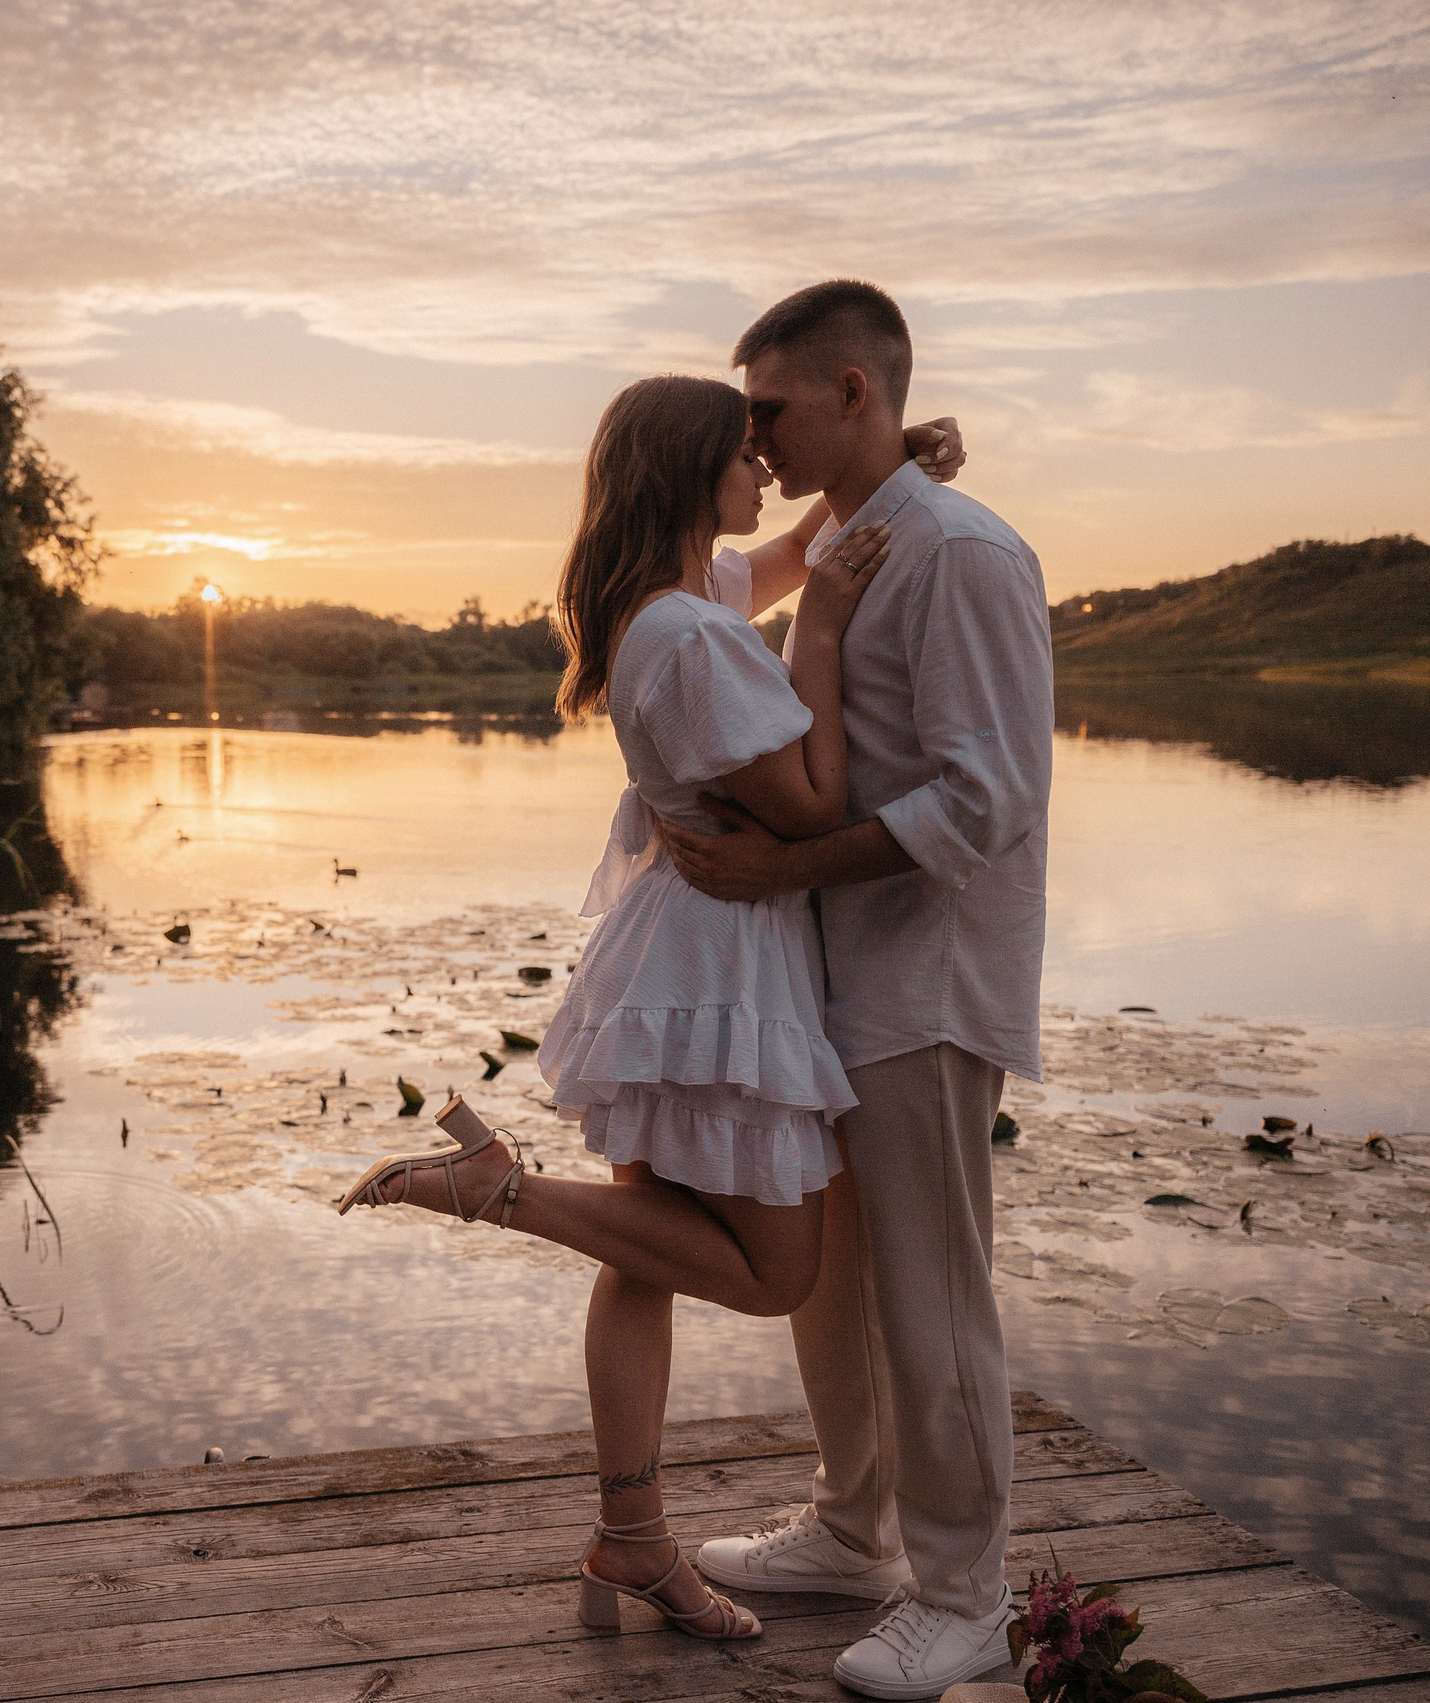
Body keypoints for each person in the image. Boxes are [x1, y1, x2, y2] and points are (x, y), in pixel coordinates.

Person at [335, 372, 966, 1645]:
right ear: (693, 474)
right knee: (779, 1270)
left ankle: (630, 1538)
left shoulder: (677, 605)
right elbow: (812, 803)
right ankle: (497, 1187)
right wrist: (828, 634)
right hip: (720, 964)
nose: (767, 470)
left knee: (642, 1252)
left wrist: (899, 477)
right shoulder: (688, 636)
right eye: (746, 452)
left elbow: (791, 551)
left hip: (674, 957)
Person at [662, 281, 1053, 1698]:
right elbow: (786, 580)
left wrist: (787, 863)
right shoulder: (867, 534)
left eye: (768, 406)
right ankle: (852, 1525)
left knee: (933, 1289)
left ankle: (963, 1593)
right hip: (827, 965)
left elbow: (987, 798)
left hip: (929, 976)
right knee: (830, 1273)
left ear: (849, 392)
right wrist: (789, 886)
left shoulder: (966, 557)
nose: (752, 436)